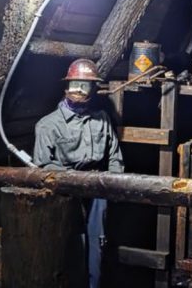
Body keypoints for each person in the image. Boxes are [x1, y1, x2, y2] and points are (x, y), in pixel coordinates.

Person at [33, 58, 123, 288]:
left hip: (98, 190)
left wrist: (113, 185)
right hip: (64, 191)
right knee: (69, 245)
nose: (80, 91)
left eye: (86, 85)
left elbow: (114, 157)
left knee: (97, 245)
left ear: (93, 89)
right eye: (75, 84)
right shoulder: (48, 125)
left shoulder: (101, 119)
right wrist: (71, 180)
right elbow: (43, 165)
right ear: (66, 86)